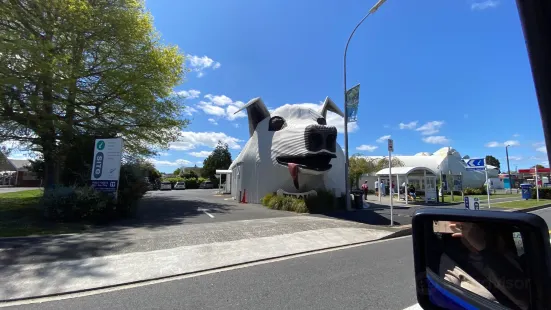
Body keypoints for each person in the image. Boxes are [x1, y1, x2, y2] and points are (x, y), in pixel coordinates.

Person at [438, 221, 530, 310]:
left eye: (476, 229)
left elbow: (524, 301)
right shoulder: (452, 262)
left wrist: (484, 250)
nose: (470, 234)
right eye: (464, 228)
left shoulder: (505, 255)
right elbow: (445, 297)